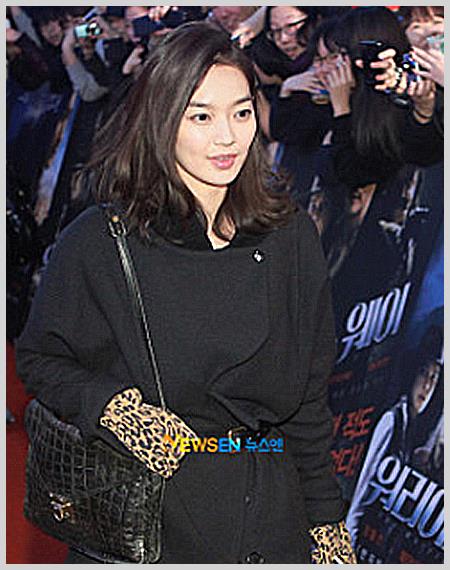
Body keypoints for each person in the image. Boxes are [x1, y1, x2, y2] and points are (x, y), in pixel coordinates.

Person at [16, 22, 356, 564]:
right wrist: (109, 407)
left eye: (241, 112)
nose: (228, 138)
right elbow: (40, 359)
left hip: (269, 521)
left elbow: (309, 401)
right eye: (201, 116)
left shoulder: (290, 236)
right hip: (150, 520)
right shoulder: (102, 241)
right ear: (162, 118)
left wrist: (327, 523)